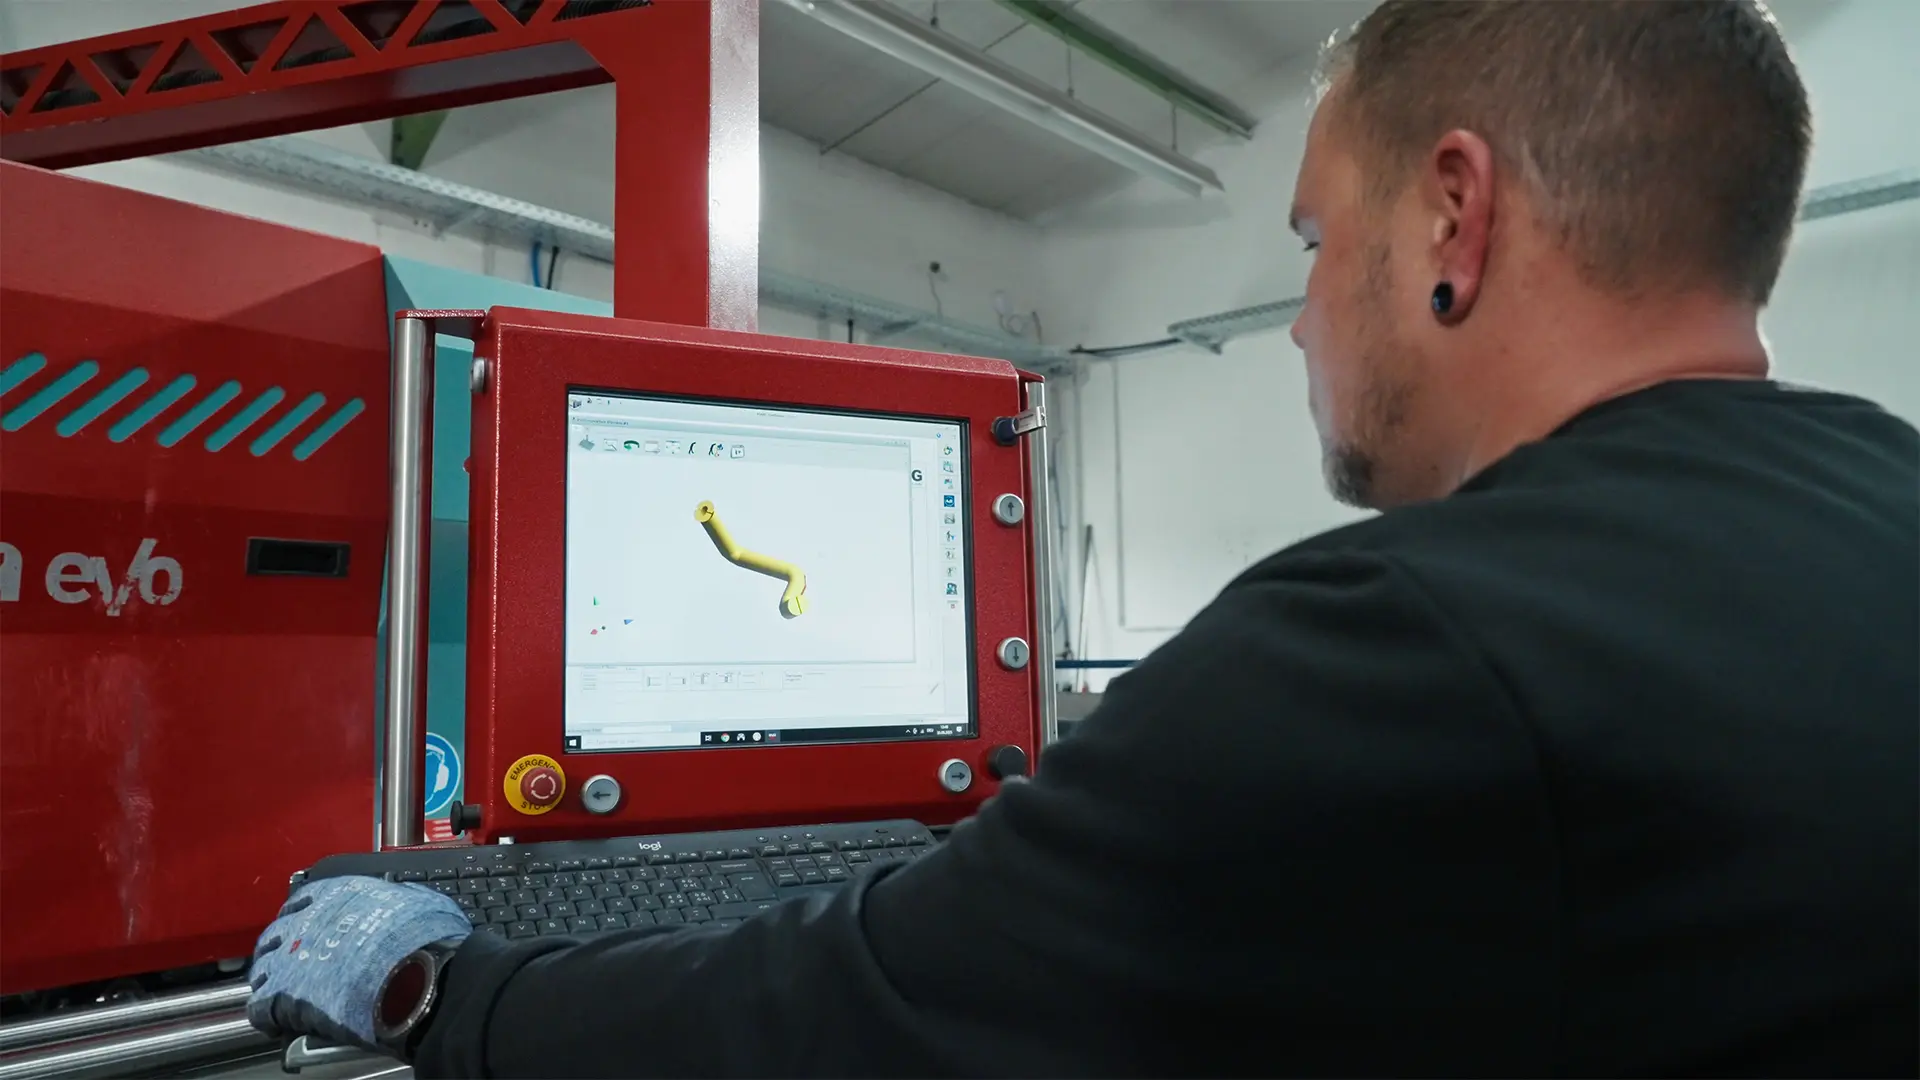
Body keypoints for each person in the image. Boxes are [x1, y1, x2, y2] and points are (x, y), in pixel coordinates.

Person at [246, 1, 1918, 1075]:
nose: (1299, 321)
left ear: (1453, 220)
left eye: (1313, 241)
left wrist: (436, 990)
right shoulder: (1885, 509)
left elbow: (865, 1023)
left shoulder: (1407, 641)